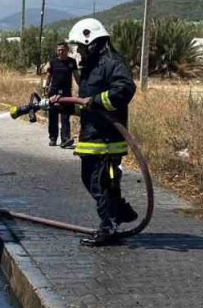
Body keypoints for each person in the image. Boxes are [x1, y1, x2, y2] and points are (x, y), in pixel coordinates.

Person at [51, 18, 138, 247]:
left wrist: (98, 100)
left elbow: (124, 89)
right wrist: (64, 104)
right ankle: (119, 211)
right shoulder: (92, 66)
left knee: (98, 184)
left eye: (81, 46)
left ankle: (108, 227)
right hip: (93, 135)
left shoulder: (112, 63)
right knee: (97, 183)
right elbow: (85, 103)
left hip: (107, 138)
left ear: (93, 43)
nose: (78, 51)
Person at [44, 43, 77, 148]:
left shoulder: (72, 62)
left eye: (62, 49)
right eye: (59, 50)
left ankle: (65, 140)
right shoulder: (53, 62)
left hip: (66, 93)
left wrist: (83, 88)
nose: (60, 51)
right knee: (53, 116)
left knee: (65, 117)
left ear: (67, 50)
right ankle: (53, 139)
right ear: (56, 51)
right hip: (53, 92)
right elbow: (48, 76)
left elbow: (76, 76)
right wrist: (46, 86)